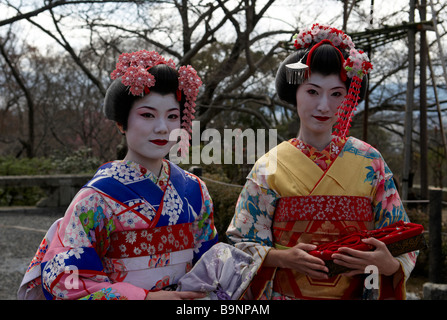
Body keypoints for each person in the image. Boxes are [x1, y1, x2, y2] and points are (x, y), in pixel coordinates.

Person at [226, 24, 418, 300]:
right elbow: (240, 244)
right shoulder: (269, 165)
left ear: (349, 98)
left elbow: (406, 237)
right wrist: (283, 258)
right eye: (312, 92)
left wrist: (388, 264)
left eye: (337, 94)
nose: (324, 106)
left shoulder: (371, 162)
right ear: (295, 93)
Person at [18, 50, 220, 300]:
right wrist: (143, 298)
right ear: (121, 123)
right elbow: (67, 278)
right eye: (147, 115)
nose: (162, 127)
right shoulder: (95, 199)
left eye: (172, 117)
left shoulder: (194, 189)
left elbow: (209, 263)